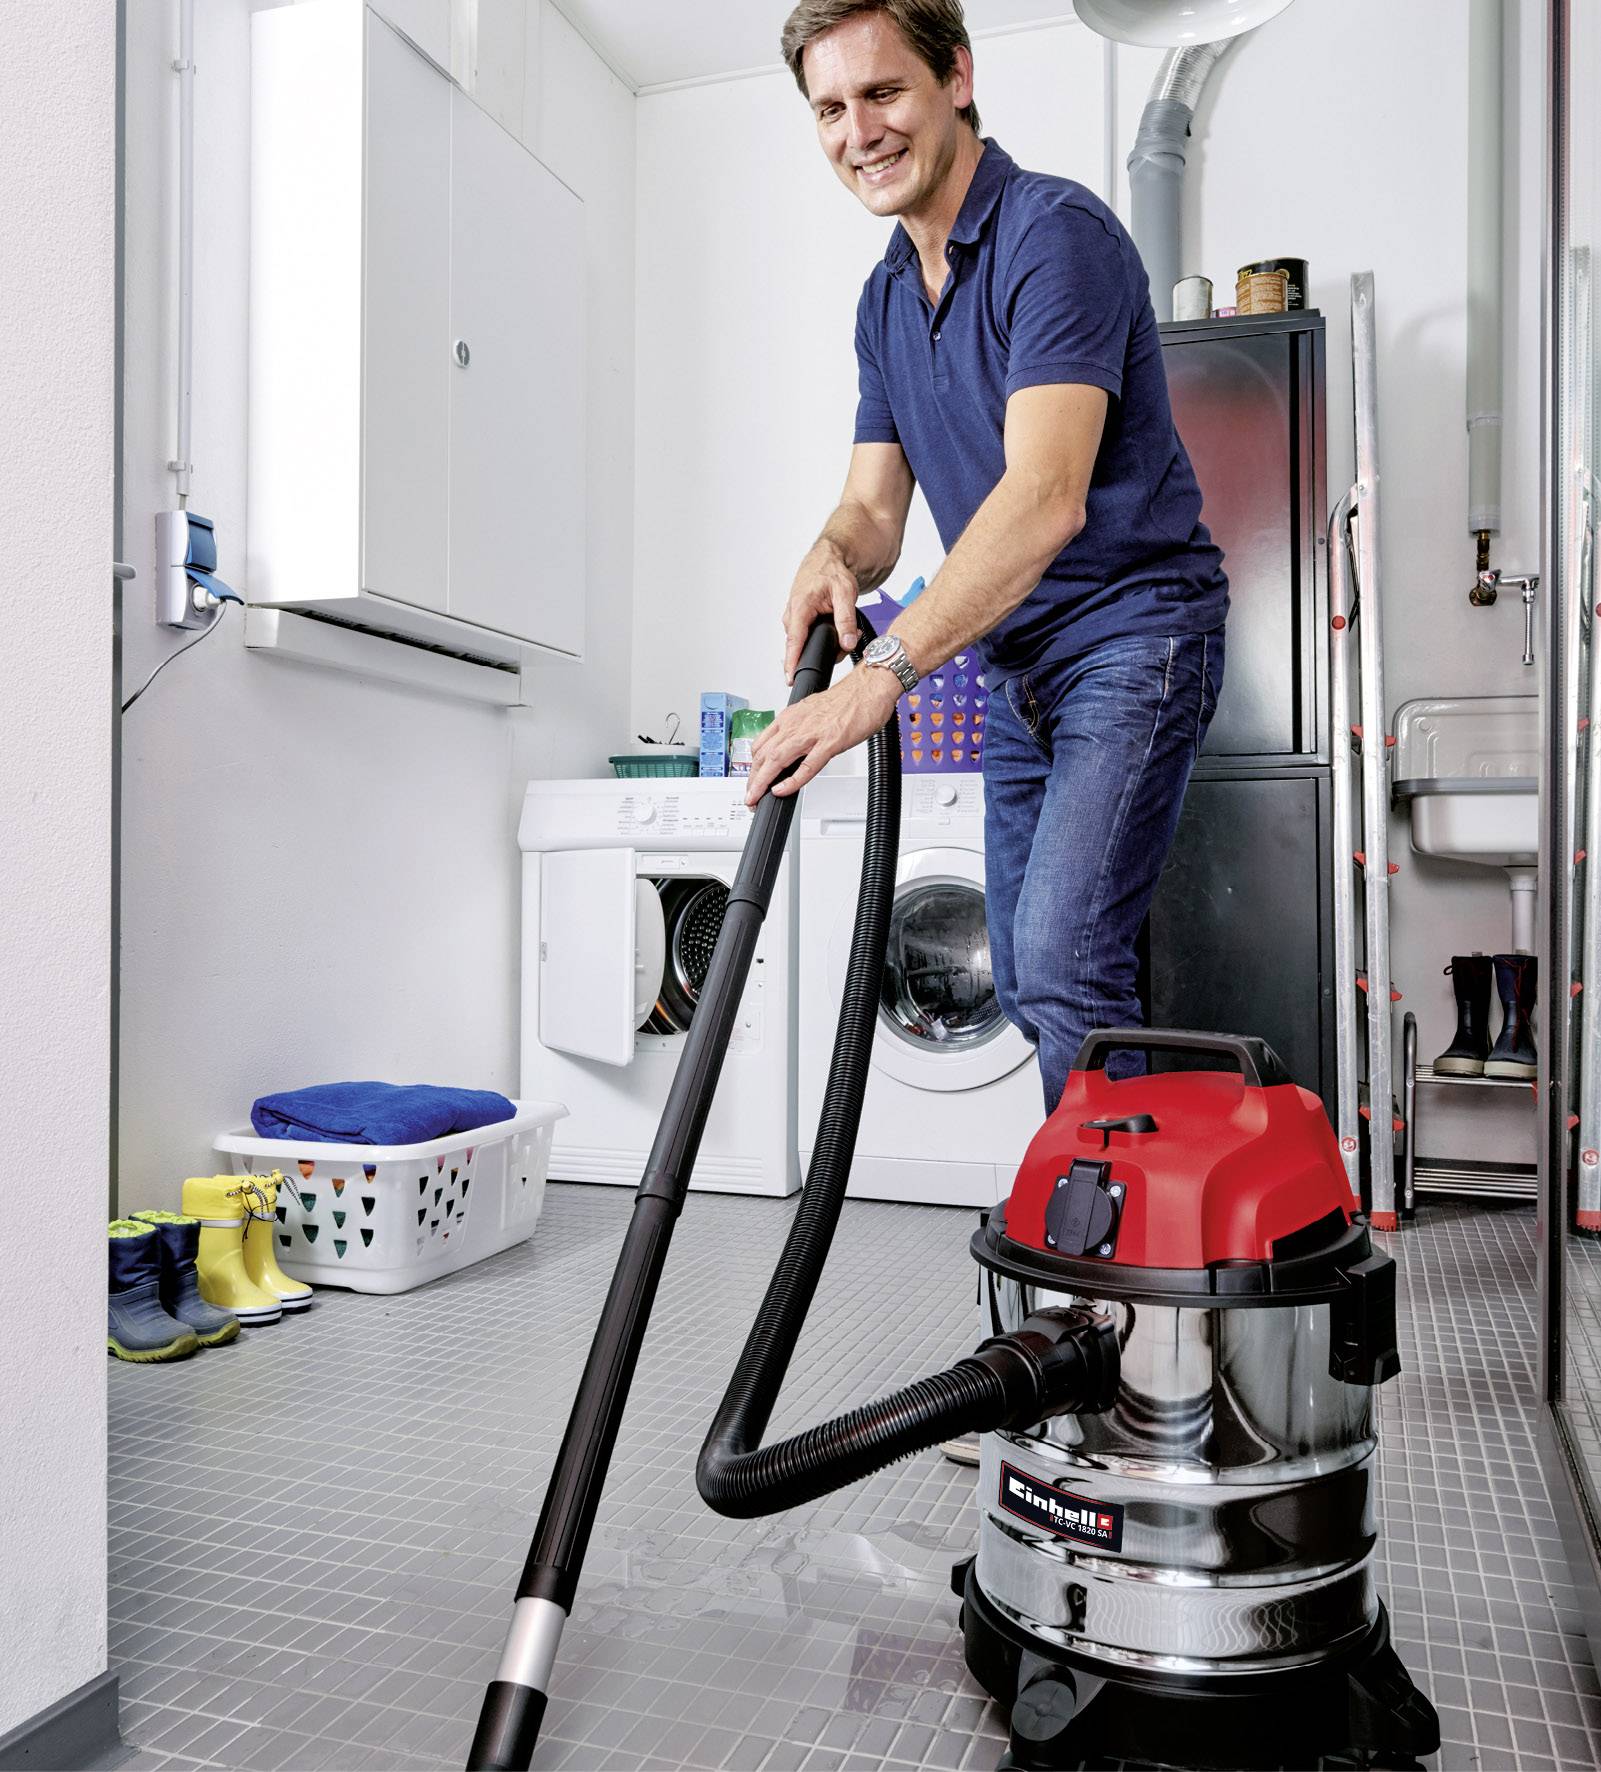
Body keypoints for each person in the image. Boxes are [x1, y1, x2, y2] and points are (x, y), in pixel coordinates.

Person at [744, 0, 1227, 1113]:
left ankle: (1107, 1254)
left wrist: (879, 681)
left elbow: (1045, 497)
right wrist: (829, 554)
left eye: (881, 93)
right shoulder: (881, 299)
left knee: (1064, 964)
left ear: (954, 76)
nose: (856, 131)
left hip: (1131, 636)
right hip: (1018, 666)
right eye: (828, 108)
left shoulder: (1053, 235)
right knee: (1026, 972)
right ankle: (1121, 1202)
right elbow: (873, 507)